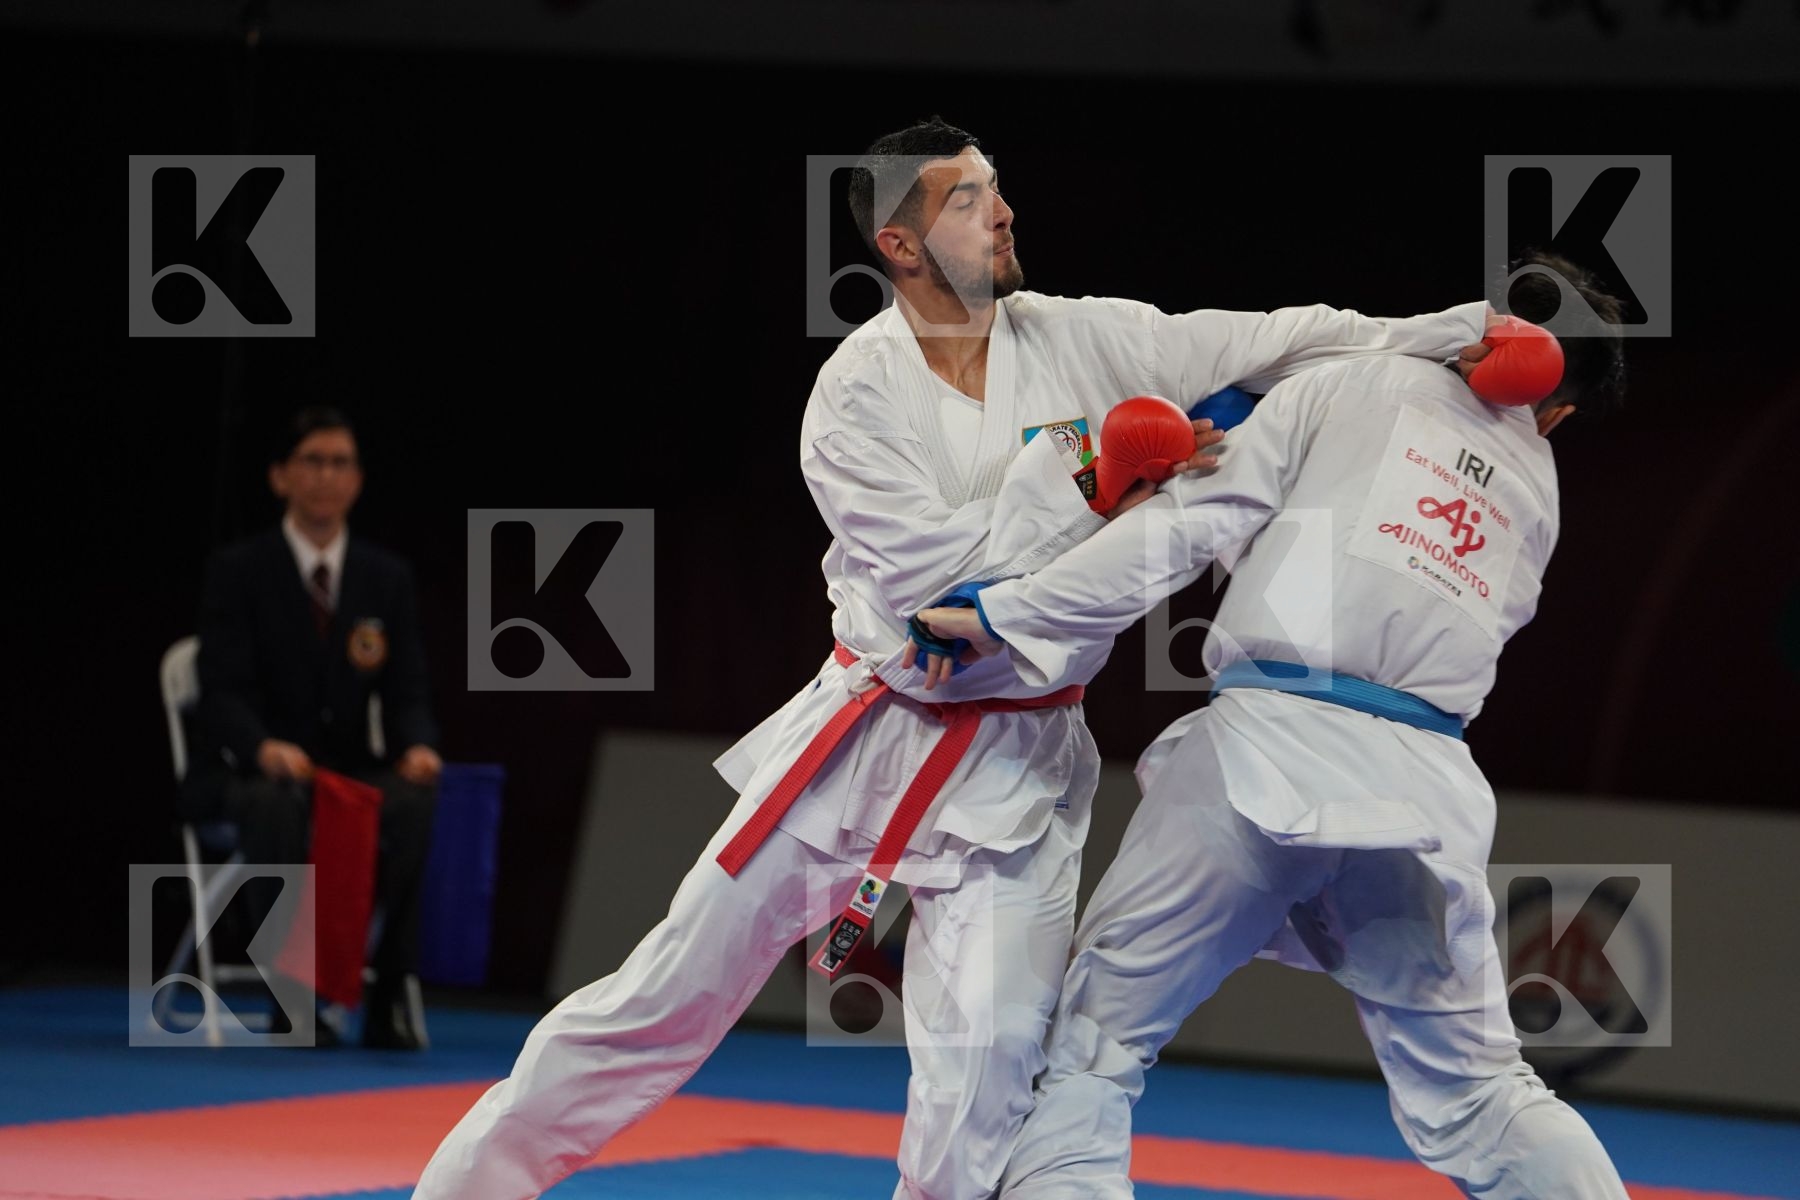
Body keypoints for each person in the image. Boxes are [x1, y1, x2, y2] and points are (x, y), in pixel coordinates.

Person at [410, 115, 1494, 1200]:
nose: (1003, 212)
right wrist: (1098, 482)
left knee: (986, 1077)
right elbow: (945, 596)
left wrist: (1460, 337)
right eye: (968, 200)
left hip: (1021, 761)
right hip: (864, 739)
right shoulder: (856, 394)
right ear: (901, 243)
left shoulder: (1084, 339)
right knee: (658, 1004)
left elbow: (1289, 337)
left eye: (997, 188)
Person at [912, 252, 1630, 1198]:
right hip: (1424, 794)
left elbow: (1183, 531)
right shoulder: (1538, 490)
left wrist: (1013, 610)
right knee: (1484, 1094)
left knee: (1094, 1050)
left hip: (1266, 752)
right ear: (1559, 413)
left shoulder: (1354, 381)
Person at [186, 405, 442, 1050]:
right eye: (313, 462)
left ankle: (389, 994)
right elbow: (220, 688)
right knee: (278, 804)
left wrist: (418, 745)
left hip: (344, 765)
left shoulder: (385, 577)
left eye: (340, 463)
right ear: (280, 477)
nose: (327, 476)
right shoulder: (239, 569)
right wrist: (260, 746)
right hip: (255, 771)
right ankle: (291, 998)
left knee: (414, 802)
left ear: (357, 480)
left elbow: (407, 687)